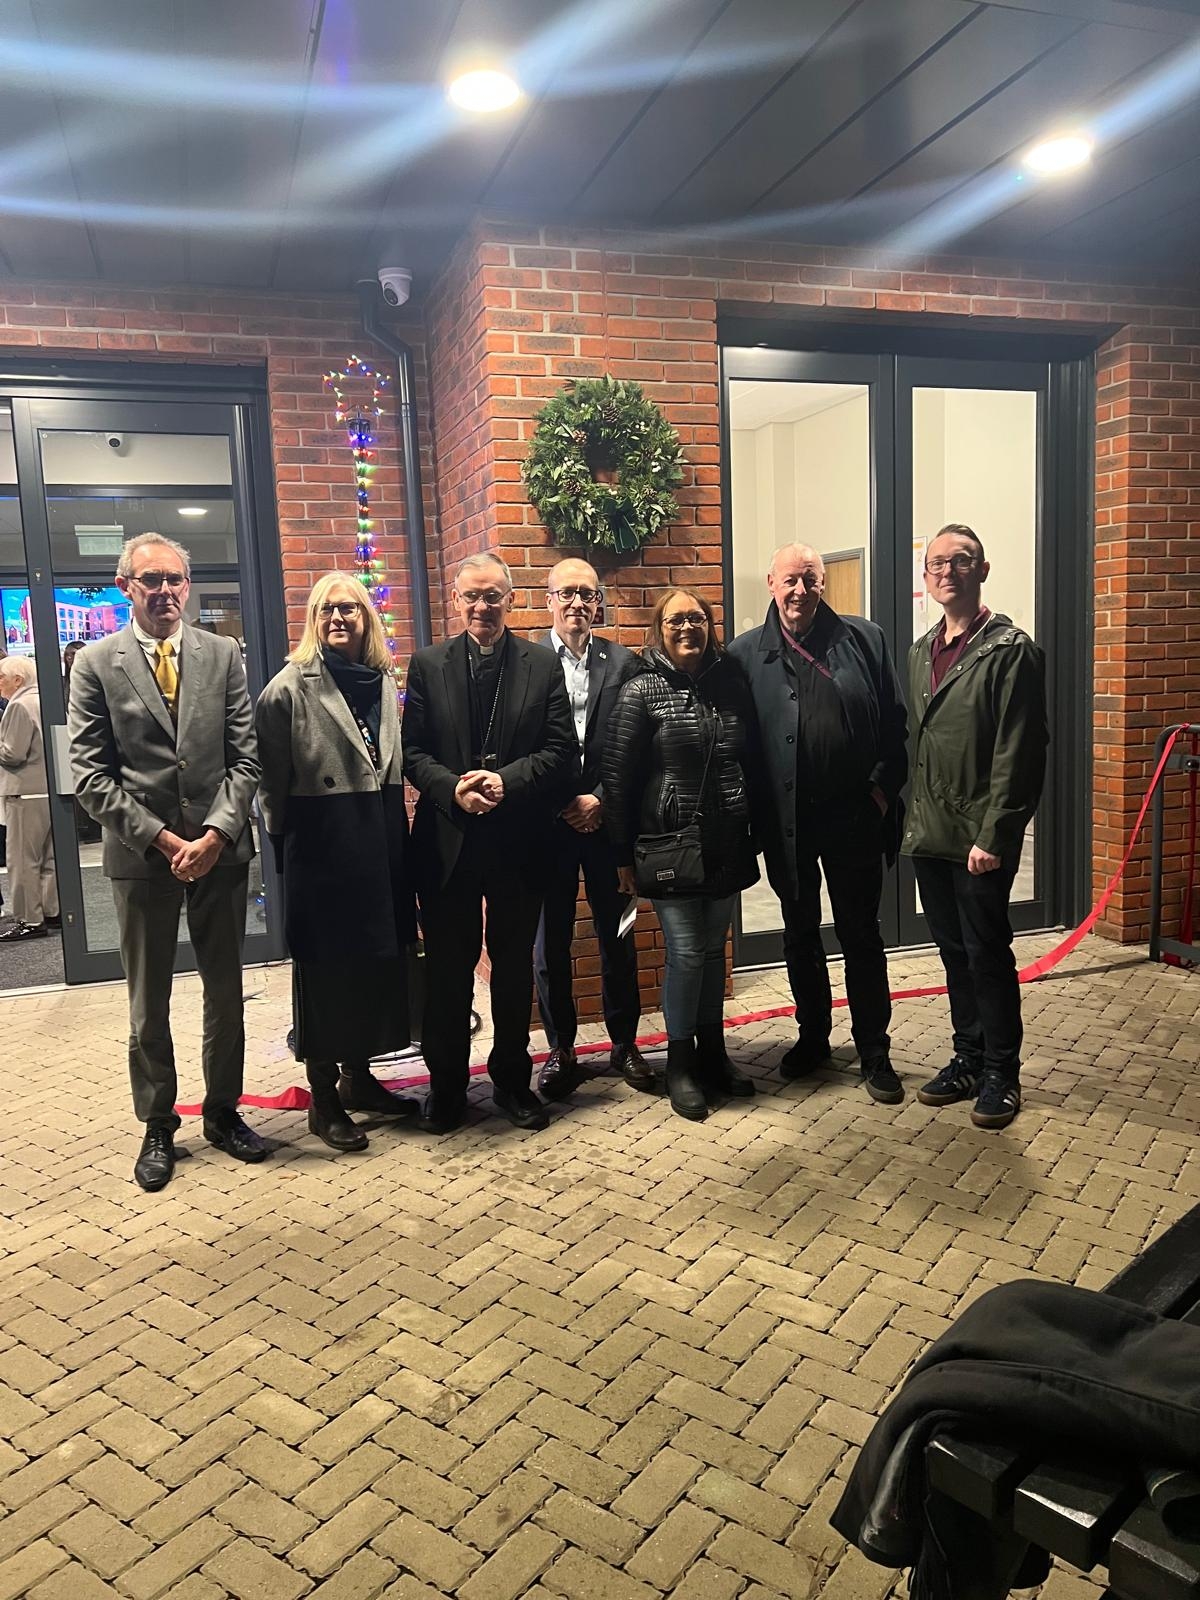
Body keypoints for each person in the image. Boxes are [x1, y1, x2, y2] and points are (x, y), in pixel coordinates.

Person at [67, 533, 265, 1191]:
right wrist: (163, 840)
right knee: (148, 1001)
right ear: (126, 586)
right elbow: (91, 776)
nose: (164, 591)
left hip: (220, 853)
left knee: (225, 993)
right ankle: (157, 1125)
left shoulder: (222, 654)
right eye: (150, 579)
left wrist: (214, 834)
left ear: (187, 584)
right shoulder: (96, 663)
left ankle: (223, 1113)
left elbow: (245, 759)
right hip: (142, 858)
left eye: (174, 579)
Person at [402, 552, 578, 1135]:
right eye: (473, 596)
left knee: (513, 972)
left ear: (511, 600)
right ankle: (448, 1086)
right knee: (449, 973)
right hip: (447, 843)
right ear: (456, 600)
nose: (483, 607)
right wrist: (453, 788)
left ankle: (511, 1081)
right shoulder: (427, 664)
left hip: (519, 842)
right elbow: (412, 752)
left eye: (493, 596)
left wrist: (507, 782)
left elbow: (560, 750)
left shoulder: (540, 664)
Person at [729, 544, 909, 1104]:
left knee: (861, 933)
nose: (800, 590)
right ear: (771, 583)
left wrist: (878, 793)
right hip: (787, 825)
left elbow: (895, 725)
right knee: (799, 932)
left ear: (823, 583)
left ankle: (874, 1048)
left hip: (854, 817)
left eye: (810, 579)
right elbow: (738, 744)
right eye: (790, 580)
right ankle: (813, 1037)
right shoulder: (744, 654)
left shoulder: (865, 639)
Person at [256, 573, 418, 1153]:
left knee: (373, 966)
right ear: (314, 620)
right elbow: (270, 787)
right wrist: (291, 848)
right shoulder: (286, 688)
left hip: (380, 837)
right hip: (322, 844)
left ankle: (360, 1079)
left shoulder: (381, 680)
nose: (338, 618)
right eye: (327, 609)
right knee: (326, 974)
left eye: (349, 608)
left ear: (366, 617)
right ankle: (323, 1100)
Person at [906, 524, 1047, 1131]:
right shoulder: (920, 652)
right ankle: (967, 1058)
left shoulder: (1011, 650)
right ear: (926, 575)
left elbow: (1021, 750)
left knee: (987, 954)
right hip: (930, 833)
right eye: (937, 562)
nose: (947, 571)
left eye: (960, 561)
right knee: (952, 953)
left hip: (977, 839)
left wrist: (996, 834)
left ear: (982, 571)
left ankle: (1000, 1073)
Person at [603, 589, 761, 1122]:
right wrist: (621, 857)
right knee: (688, 952)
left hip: (726, 841)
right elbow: (618, 780)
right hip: (669, 844)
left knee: (714, 951)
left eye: (696, 618)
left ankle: (714, 1054)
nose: (687, 628)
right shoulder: (641, 689)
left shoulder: (731, 683)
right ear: (660, 628)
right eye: (676, 620)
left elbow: (751, 758)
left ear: (710, 625)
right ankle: (680, 1064)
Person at [532, 558, 653, 1101]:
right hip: (550, 828)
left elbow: (637, 743)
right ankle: (561, 1048)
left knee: (619, 936)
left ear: (598, 602)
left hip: (609, 827)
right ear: (549, 600)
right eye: (567, 593)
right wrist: (564, 801)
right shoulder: (528, 663)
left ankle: (624, 1043)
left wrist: (600, 798)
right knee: (550, 943)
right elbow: (522, 745)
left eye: (587, 593)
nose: (577, 603)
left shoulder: (624, 662)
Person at [0, 656, 58, 941]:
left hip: (24, 793)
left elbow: (12, 753)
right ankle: (51, 910)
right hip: (48, 790)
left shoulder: (19, 705)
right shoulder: (45, 700)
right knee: (49, 858)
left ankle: (29, 919)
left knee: (23, 861)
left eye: (1, 677)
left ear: (18, 680)